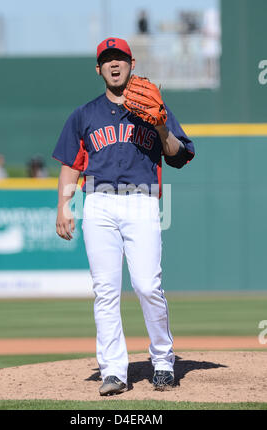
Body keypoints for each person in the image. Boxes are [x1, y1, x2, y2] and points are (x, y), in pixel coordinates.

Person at [52, 37, 195, 396]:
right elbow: (71, 166)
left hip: (142, 202)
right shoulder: (84, 114)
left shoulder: (155, 106)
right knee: (105, 292)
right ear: (98, 69)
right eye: (107, 60)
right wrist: (64, 206)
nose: (114, 65)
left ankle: (163, 360)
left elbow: (179, 155)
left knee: (148, 286)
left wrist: (161, 125)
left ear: (131, 63)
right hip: (98, 203)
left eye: (120, 58)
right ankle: (114, 370)